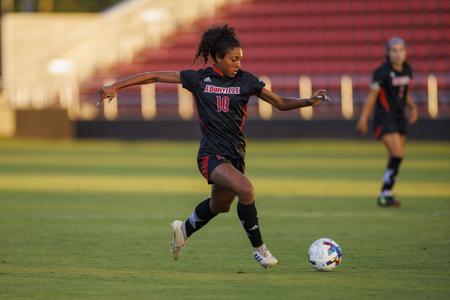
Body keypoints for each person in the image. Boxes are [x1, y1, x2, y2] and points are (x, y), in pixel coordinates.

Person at [99, 24, 331, 268]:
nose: (239, 63)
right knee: (246, 189)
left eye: (241, 59)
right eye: (234, 59)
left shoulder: (247, 81)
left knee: (220, 205)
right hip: (210, 155)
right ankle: (259, 249)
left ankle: (183, 230)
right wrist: (116, 86)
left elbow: (280, 103)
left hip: (235, 156)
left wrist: (308, 101)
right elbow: (155, 75)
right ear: (218, 58)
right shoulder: (198, 79)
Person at [357, 37, 418, 207]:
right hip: (384, 118)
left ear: (405, 52)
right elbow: (372, 97)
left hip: (399, 118)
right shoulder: (381, 72)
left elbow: (405, 92)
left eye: (401, 50)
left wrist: (412, 107)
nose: (398, 54)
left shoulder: (407, 69)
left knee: (395, 157)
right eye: (394, 51)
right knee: (398, 154)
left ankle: (386, 194)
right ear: (388, 53)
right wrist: (363, 119)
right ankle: (385, 194)